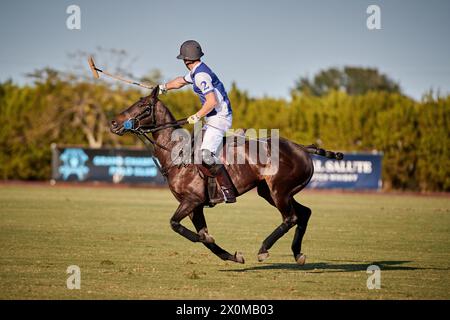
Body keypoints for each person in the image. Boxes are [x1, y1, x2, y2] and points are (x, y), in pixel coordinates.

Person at [159, 40, 236, 203]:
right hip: (212, 118)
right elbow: (180, 81)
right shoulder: (197, 71)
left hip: (219, 118)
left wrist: (197, 115)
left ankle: (227, 191)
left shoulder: (201, 75)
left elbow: (211, 101)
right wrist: (163, 87)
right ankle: (200, 189)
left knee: (205, 154)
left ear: (186, 60)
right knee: (192, 149)